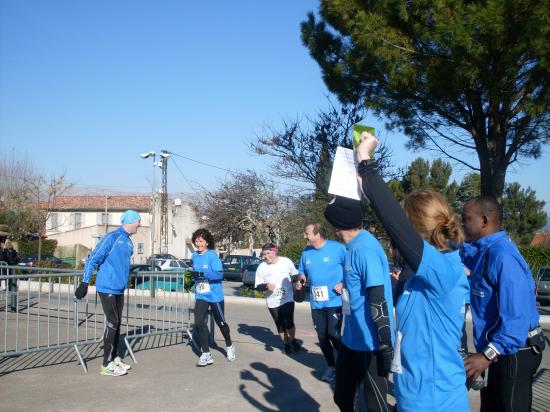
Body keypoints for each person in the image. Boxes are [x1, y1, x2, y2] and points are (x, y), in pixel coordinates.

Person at [354, 131, 470, 412]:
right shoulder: (426, 272)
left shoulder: (443, 270)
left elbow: (395, 224)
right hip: (415, 398)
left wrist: (366, 164)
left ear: (415, 230)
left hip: (435, 403)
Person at [461, 196, 544, 412]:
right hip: (500, 353)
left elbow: (516, 321)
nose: (462, 224)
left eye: (466, 219)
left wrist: (485, 356)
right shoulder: (485, 250)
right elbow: (464, 253)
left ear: (484, 221)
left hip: (514, 353)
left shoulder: (503, 257)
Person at [324, 197, 394, 412]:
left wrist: (384, 345)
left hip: (369, 342)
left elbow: (377, 297)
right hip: (351, 338)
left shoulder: (365, 248)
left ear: (337, 225)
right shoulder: (352, 246)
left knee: (375, 406)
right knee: (342, 396)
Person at [75, 210, 141, 376]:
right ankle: (106, 365)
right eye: (138, 221)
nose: (139, 225)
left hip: (119, 288)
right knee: (112, 322)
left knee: (117, 322)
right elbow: (93, 258)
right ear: (131, 221)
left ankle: (114, 357)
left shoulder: (128, 242)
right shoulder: (112, 237)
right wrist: (84, 282)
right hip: (107, 287)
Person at [295, 223, 345, 382]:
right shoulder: (306, 252)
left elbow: (351, 268)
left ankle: (345, 363)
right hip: (316, 302)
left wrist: (343, 282)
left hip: (335, 300)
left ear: (317, 235)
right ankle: (332, 366)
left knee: (334, 334)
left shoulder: (338, 248)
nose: (304, 236)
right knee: (322, 337)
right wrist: (300, 281)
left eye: (307, 233)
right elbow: (302, 272)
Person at [191, 228, 235, 367]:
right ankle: (206, 354)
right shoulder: (194, 256)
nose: (198, 244)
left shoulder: (212, 256)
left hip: (215, 295)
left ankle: (229, 345)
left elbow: (219, 275)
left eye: (201, 241)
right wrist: (191, 279)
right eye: (196, 241)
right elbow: (195, 274)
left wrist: (204, 274)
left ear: (207, 242)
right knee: (198, 322)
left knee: (221, 323)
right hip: (201, 294)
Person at [255, 243, 302, 354]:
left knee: (289, 322)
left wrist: (297, 284)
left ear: (274, 251)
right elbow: (258, 286)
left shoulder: (286, 261)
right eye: (264, 254)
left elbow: (295, 276)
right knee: (280, 324)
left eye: (268, 253)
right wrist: (266, 286)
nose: (266, 256)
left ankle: (293, 339)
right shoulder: (261, 267)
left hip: (287, 298)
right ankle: (286, 344)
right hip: (273, 301)